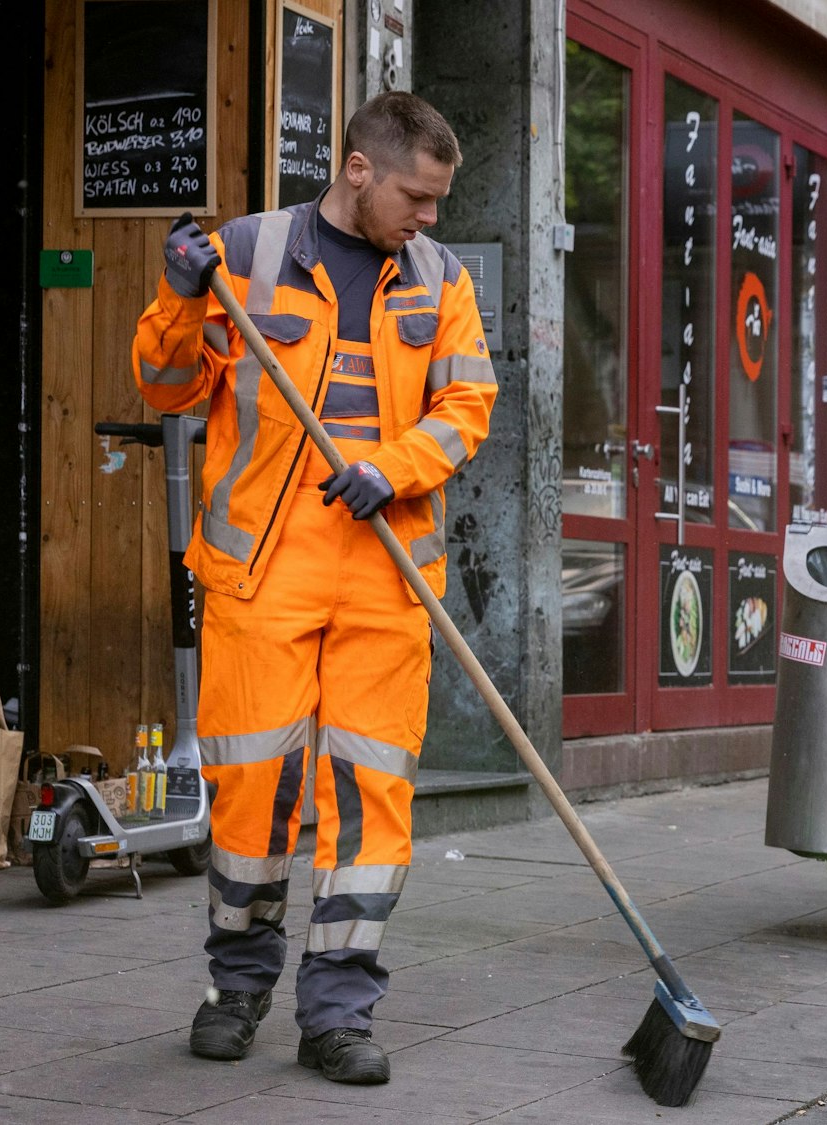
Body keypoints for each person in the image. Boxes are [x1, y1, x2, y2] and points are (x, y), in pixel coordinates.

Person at [131, 92, 495, 1085]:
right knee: (253, 787)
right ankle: (237, 988)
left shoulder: (442, 278)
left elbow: (467, 405)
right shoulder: (244, 256)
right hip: (263, 570)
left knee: (370, 799)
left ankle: (338, 1012)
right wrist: (180, 296)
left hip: (386, 569)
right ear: (358, 170)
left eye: (439, 199)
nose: (431, 216)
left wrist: (396, 465)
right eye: (417, 196)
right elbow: (166, 388)